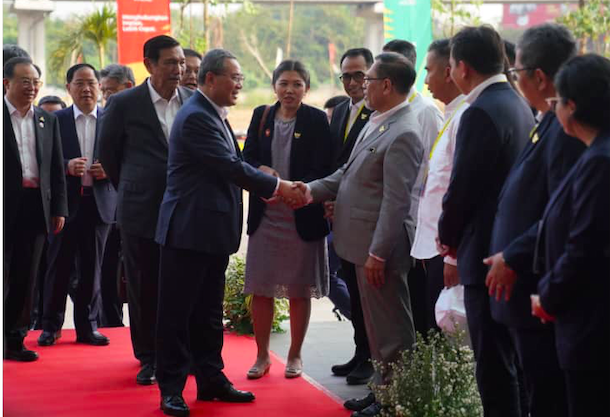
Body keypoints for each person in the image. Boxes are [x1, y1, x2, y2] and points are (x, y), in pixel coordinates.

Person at [154, 48, 306, 417]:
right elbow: (229, 166)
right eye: (234, 78)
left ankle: (211, 380)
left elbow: (235, 163)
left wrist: (268, 179)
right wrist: (279, 187)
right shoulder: (196, 118)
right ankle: (171, 389)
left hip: (210, 232)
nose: (240, 84)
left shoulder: (211, 113)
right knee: (176, 314)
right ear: (210, 79)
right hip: (188, 232)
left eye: (240, 78)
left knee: (207, 312)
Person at [298, 51, 422, 417]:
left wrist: (379, 253)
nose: (362, 86)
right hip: (360, 243)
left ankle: (396, 401)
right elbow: (348, 175)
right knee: (375, 329)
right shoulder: (378, 121)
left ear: (386, 84)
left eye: (367, 80)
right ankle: (381, 392)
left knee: (392, 332)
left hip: (378, 248)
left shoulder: (404, 131)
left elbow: (395, 203)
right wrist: (309, 190)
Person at [483, 24, 585, 417]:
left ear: (538, 77)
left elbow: (561, 212)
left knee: (547, 393)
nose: (515, 80)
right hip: (521, 283)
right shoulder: (545, 117)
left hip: (537, 281)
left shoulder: (569, 128)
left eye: (517, 72)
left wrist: (514, 255)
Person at [437, 25, 535, 416]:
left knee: (494, 366)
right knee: (510, 363)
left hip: (484, 252)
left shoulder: (479, 110)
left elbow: (463, 187)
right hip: (507, 245)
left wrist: (448, 238)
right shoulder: (515, 100)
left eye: (448, 67)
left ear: (461, 67)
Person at [98, 35, 194, 386]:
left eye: (181, 63)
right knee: (144, 286)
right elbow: (108, 153)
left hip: (185, 210)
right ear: (149, 64)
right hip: (140, 209)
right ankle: (149, 357)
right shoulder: (124, 103)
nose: (178, 69)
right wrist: (133, 187)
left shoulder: (192, 100)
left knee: (180, 285)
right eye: (170, 62)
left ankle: (180, 354)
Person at [531, 53, 610, 417]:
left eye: (557, 101)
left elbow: (585, 245)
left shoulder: (599, 162)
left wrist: (548, 297)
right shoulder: (594, 155)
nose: (553, 108)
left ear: (572, 106)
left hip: (591, 324)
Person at [242, 60, 332, 380]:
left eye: (296, 84)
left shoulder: (317, 119)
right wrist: (261, 173)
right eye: (283, 83)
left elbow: (324, 165)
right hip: (267, 212)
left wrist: (299, 190)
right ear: (274, 86)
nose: (289, 89)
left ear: (306, 88)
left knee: (299, 288)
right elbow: (246, 157)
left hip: (301, 211)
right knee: (261, 286)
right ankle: (262, 355)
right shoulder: (260, 115)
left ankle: (294, 354)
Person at [38, 64, 117, 347]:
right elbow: (42, 162)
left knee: (92, 269)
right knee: (57, 267)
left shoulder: (112, 119)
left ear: (99, 87)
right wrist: (66, 166)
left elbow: (128, 158)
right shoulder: (54, 120)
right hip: (65, 205)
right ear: (68, 87)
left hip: (100, 205)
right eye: (79, 83)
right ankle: (50, 326)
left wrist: (109, 169)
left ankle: (88, 326)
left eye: (91, 83)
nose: (86, 89)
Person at [3, 57, 67, 361]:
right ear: (6, 83)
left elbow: (55, 169)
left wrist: (59, 209)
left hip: (34, 207)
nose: (31, 87)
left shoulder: (46, 119)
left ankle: (15, 338)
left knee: (25, 276)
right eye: (24, 81)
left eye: (35, 82)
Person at [382, 39, 444, 336]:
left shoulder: (427, 113)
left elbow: (435, 174)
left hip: (418, 224)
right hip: (392, 219)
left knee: (419, 304)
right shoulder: (385, 114)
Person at [409, 39, 467, 330]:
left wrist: (452, 257)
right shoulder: (450, 113)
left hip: (446, 249)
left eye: (428, 70)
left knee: (445, 328)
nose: (425, 79)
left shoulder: (465, 115)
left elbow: (461, 189)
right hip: (434, 244)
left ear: (449, 72)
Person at [326, 47, 376, 386]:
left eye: (360, 75)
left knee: (368, 296)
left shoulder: (378, 114)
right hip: (338, 215)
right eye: (347, 76)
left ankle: (371, 358)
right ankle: (360, 352)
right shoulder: (340, 110)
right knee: (353, 293)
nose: (354, 82)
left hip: (367, 220)